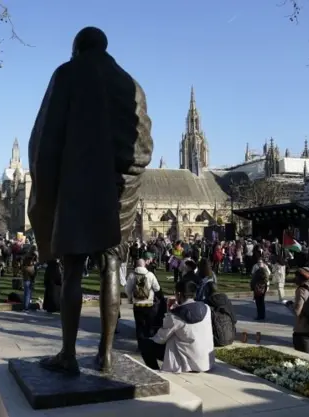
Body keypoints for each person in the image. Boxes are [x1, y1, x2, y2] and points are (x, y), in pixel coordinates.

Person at [28, 26, 153, 374]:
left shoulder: (67, 74)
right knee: (111, 267)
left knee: (72, 271)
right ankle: (106, 353)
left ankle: (68, 354)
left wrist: (46, 191)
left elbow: (45, 140)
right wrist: (122, 179)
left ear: (77, 48)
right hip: (119, 193)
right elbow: (144, 149)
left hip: (78, 187)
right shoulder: (132, 85)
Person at [139, 280, 214, 373]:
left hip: (188, 362)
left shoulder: (175, 316)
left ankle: (155, 372)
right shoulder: (206, 308)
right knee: (178, 333)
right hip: (206, 361)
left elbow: (160, 338)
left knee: (145, 344)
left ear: (178, 294)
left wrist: (169, 313)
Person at [286, 267, 309, 356]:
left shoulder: (301, 290)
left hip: (303, 330)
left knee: (304, 360)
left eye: (296, 277)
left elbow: (297, 312)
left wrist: (289, 305)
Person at [125, 259, 162, 341]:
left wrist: (130, 298)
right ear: (144, 265)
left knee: (139, 325)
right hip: (149, 304)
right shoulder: (150, 274)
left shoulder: (132, 275)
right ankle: (148, 342)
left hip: (137, 304)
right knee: (149, 325)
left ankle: (140, 344)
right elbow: (157, 288)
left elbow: (127, 289)